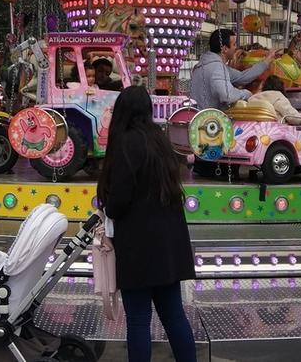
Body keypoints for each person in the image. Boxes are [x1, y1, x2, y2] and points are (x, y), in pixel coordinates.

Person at [97, 86, 196, 362]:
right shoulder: (159, 140)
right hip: (168, 248)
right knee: (174, 316)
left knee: (139, 321)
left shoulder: (126, 143)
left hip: (139, 250)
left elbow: (118, 202)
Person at [189, 29, 275, 110]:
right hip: (210, 121)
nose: (236, 48)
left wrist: (266, 62)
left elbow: (242, 77)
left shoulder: (205, 65)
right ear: (225, 49)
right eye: (234, 44)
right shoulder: (217, 68)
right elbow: (228, 96)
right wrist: (246, 93)